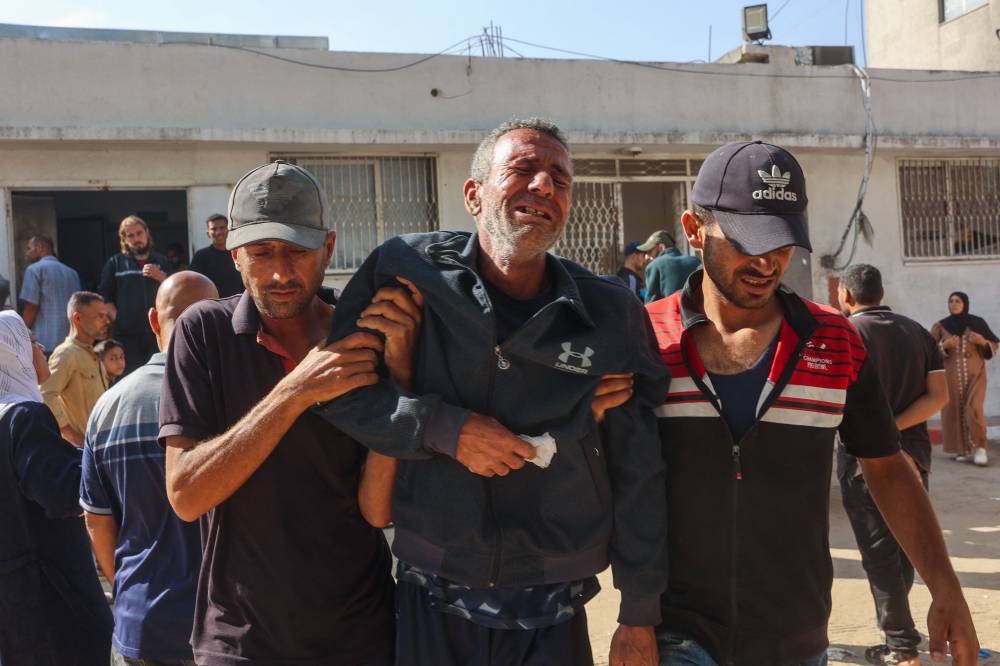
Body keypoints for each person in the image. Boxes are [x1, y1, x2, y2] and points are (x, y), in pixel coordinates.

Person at [318, 118, 668, 666]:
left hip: (554, 606)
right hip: (430, 591)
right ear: (474, 195)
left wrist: (639, 611)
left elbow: (640, 464)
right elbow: (339, 390)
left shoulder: (609, 312)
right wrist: (443, 429)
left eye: (559, 177)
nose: (544, 186)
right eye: (523, 169)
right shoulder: (405, 272)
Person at [646, 140, 978, 665]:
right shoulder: (645, 340)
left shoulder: (835, 340)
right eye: (747, 240)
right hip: (675, 631)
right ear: (693, 229)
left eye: (781, 243)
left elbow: (887, 467)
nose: (767, 262)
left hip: (795, 636)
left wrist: (946, 588)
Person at [160, 161, 414, 665]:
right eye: (261, 253)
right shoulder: (203, 332)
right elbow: (186, 495)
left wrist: (403, 380)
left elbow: (377, 511)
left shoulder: (367, 334)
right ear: (234, 255)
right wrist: (293, 392)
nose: (280, 272)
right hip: (240, 641)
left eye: (297, 252)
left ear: (330, 249)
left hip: (360, 636)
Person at [81, 272, 218, 666]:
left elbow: (97, 521)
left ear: (155, 321)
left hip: (140, 623)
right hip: (224, 627)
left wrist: (128, 586)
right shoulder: (240, 399)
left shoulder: (110, 404)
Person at [837, 263, 950, 665]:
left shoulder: (845, 334)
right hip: (914, 454)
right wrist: (896, 428)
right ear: (881, 292)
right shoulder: (916, 332)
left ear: (845, 295)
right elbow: (939, 397)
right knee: (905, 543)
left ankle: (901, 647)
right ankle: (900, 633)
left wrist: (879, 432)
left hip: (861, 456)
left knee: (878, 550)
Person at [0, 310, 113, 665]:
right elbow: (63, 493)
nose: (42, 346)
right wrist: (96, 453)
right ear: (12, 350)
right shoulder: (25, 417)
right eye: (32, 341)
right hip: (51, 598)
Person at [930, 291, 999, 466]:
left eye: (958, 301)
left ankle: (980, 448)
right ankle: (961, 449)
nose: (954, 304)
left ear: (965, 303)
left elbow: (993, 344)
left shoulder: (977, 323)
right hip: (951, 378)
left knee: (974, 408)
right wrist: (944, 346)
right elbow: (928, 351)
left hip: (976, 376)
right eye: (951, 301)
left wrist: (982, 341)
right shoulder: (941, 326)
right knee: (953, 410)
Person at [98, 215, 170, 375]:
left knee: (160, 375)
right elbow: (105, 297)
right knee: (129, 376)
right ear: (124, 239)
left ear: (147, 233)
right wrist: (120, 319)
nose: (137, 238)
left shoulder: (162, 261)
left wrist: (162, 277)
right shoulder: (115, 263)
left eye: (139, 233)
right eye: (131, 235)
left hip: (156, 332)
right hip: (126, 337)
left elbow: (176, 292)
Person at [40, 291, 110, 446]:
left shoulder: (92, 353)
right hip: (79, 451)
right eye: (99, 316)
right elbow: (45, 394)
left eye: (106, 316)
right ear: (77, 318)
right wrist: (72, 436)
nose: (106, 321)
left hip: (97, 445)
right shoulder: (66, 353)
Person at [19, 235, 82, 355]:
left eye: (29, 248)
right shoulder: (72, 273)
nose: (27, 253)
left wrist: (21, 334)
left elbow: (31, 307)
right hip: (70, 343)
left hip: (44, 344)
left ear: (40, 247)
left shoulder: (34, 270)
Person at [189, 213, 244, 297]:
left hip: (238, 304)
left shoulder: (239, 254)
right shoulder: (201, 257)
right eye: (214, 229)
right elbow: (193, 284)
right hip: (212, 306)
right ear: (208, 233)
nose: (218, 232)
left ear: (229, 230)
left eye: (222, 228)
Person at [641, 229, 701, 303]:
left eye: (650, 251)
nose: (647, 256)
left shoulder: (654, 266)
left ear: (661, 247)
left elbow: (651, 303)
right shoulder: (696, 261)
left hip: (670, 313)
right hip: (697, 313)